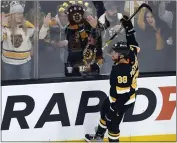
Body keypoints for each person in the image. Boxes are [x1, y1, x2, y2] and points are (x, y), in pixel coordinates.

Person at [85, 15, 140, 142]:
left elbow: (124, 96)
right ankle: (99, 137)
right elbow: (132, 41)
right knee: (104, 111)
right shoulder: (131, 52)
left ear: (121, 55)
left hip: (122, 102)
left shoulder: (120, 70)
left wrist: (114, 110)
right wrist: (129, 28)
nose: (112, 54)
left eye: (115, 53)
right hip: (115, 97)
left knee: (113, 125)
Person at [59, 1, 110, 76]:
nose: (77, 16)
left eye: (79, 13)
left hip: (92, 60)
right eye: (73, 14)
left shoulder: (90, 24)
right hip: (75, 62)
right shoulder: (68, 29)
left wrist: (95, 27)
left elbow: (101, 36)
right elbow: (72, 43)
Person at [1, 1, 34, 80]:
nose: (20, 15)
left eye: (21, 13)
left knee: (25, 81)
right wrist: (2, 25)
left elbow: (37, 37)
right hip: (8, 62)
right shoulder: (5, 26)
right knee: (10, 82)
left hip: (25, 61)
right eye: (17, 13)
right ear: (12, 15)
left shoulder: (27, 26)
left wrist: (33, 46)